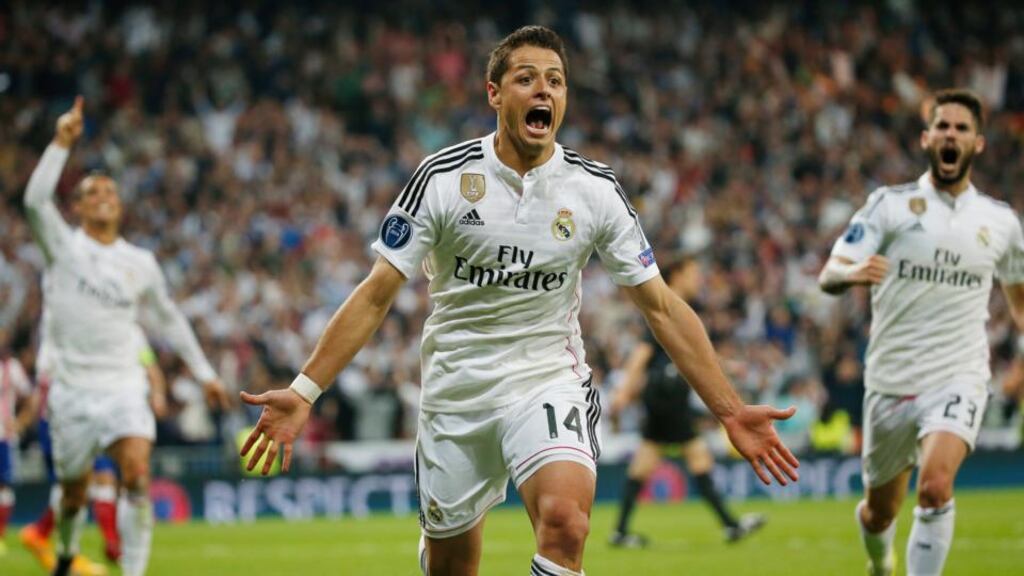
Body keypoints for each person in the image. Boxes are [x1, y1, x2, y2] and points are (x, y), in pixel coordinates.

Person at [241, 26, 799, 576]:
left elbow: (662, 307)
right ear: (494, 93)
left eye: (555, 81)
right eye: (526, 78)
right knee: (453, 566)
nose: (544, 91)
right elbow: (374, 295)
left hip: (546, 377)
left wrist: (729, 408)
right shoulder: (442, 178)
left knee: (566, 524)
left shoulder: (594, 190)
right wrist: (303, 390)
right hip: (457, 390)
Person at [819, 88, 1024, 576]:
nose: (951, 135)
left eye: (962, 128)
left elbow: (1019, 300)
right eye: (943, 126)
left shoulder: (1001, 223)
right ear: (926, 138)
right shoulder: (889, 207)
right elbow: (830, 272)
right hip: (891, 380)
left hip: (959, 375)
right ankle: (881, 561)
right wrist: (850, 275)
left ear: (978, 144)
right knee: (879, 512)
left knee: (934, 487)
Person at [23, 97, 229, 576]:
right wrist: (60, 143)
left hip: (122, 384)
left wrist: (205, 374)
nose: (104, 197)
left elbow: (170, 319)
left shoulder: (141, 263)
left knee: (136, 471)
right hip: (72, 390)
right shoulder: (62, 248)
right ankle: (68, 555)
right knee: (73, 496)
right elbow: (33, 201)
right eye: (93, 192)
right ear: (75, 207)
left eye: (110, 191)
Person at [608, 257, 765, 548]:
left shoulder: (677, 307)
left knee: (646, 462)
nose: (699, 279)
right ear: (677, 275)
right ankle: (731, 525)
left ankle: (620, 531)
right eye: (693, 273)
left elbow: (695, 354)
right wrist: (624, 391)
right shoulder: (664, 305)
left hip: (664, 399)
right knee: (697, 457)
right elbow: (642, 354)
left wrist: (727, 366)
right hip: (666, 397)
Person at [21, 327, 168, 572]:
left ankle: (69, 543)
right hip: (71, 417)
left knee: (98, 481)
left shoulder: (129, 332)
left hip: (100, 413)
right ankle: (87, 544)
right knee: (83, 484)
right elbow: (49, 374)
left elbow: (150, 366)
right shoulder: (67, 327)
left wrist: (157, 393)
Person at [0, 328, 37, 557]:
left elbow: (31, 396)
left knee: (4, 487)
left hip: (3, 437)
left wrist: (21, 422)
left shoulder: (10, 368)